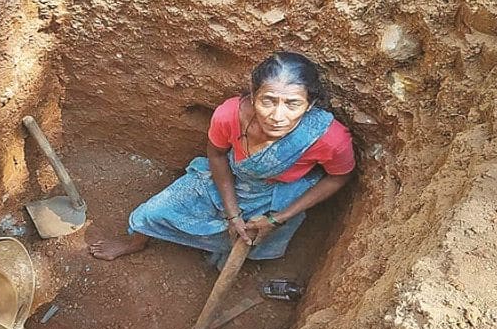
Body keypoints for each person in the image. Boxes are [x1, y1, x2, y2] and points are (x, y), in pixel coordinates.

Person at [89, 51, 355, 269]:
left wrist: (278, 219)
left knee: (253, 238)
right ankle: (135, 243)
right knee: (150, 213)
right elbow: (216, 155)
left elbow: (339, 176)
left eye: (293, 104)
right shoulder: (229, 115)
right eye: (268, 101)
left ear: (309, 105)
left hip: (279, 192)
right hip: (230, 178)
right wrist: (233, 213)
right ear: (253, 94)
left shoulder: (329, 138)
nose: (277, 115)